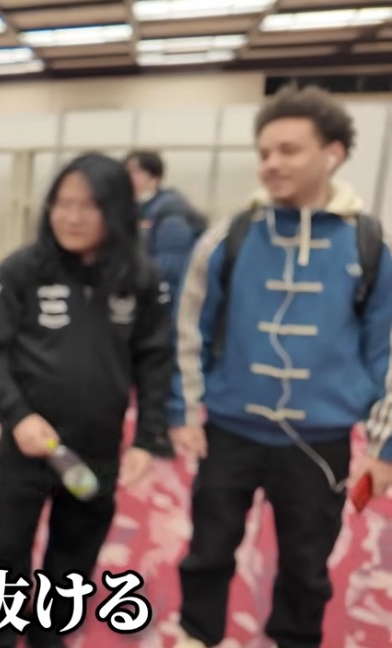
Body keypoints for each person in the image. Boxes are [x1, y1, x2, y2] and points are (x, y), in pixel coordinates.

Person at [169, 84, 392, 648]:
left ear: (333, 153)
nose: (271, 163)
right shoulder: (228, 238)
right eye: (265, 152)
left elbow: (388, 350)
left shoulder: (372, 244)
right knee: (208, 548)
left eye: (289, 150)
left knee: (306, 564)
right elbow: (188, 331)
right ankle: (198, 635)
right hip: (229, 431)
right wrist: (184, 410)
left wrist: (384, 447)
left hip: (320, 440)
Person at [0, 152, 174, 648]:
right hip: (28, 445)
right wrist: (17, 416)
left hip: (96, 449)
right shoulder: (22, 269)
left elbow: (154, 361)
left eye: (89, 205)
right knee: (9, 552)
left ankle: (50, 637)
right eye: (62, 203)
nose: (72, 216)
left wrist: (148, 437)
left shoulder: (140, 279)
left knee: (74, 556)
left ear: (116, 209)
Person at [125, 150, 206, 299]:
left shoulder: (171, 213)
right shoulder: (134, 209)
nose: (129, 178)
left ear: (155, 178)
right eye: (126, 172)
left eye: (136, 172)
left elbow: (171, 267)